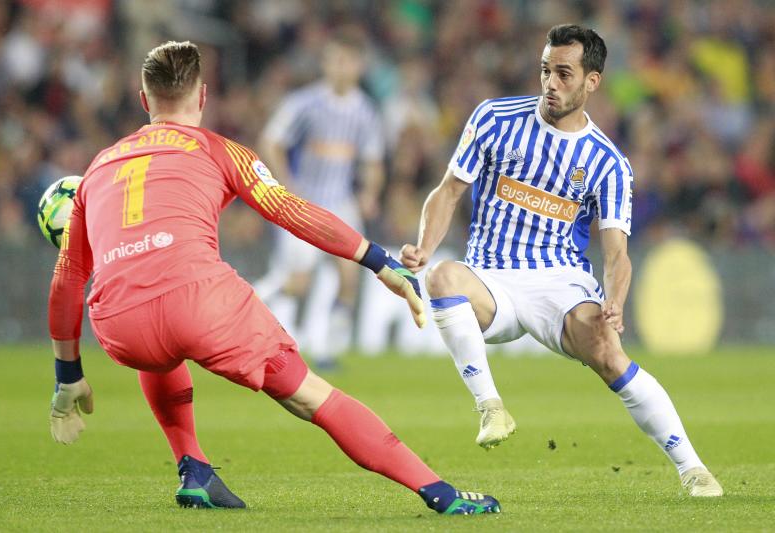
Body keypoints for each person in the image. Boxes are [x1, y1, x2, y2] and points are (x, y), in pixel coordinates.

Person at [47, 40, 500, 515]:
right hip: (200, 305)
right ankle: (440, 493)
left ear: (144, 100)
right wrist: (378, 262)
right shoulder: (220, 150)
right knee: (311, 396)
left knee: (157, 349)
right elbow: (290, 210)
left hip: (120, 324)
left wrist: (68, 376)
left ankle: (194, 470)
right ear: (203, 96)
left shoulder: (97, 167)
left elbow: (67, 280)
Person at [399, 25, 723, 498]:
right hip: (490, 279)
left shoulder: (608, 162)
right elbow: (448, 191)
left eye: (564, 74)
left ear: (592, 81)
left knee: (609, 353)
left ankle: (692, 469)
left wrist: (615, 300)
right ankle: (491, 407)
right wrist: (425, 245)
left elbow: (616, 253)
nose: (551, 83)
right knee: (441, 275)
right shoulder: (494, 118)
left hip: (559, 283)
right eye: (545, 70)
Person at [256, 27, 385, 366]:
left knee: (349, 277)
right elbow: (270, 140)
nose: (340, 67)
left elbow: (372, 161)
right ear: (325, 64)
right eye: (334, 60)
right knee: (299, 283)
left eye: (347, 61)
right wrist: (286, 183)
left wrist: (369, 193)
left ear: (358, 65)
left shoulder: (365, 111)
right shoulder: (304, 103)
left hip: (342, 204)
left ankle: (328, 350)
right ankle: (254, 299)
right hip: (305, 204)